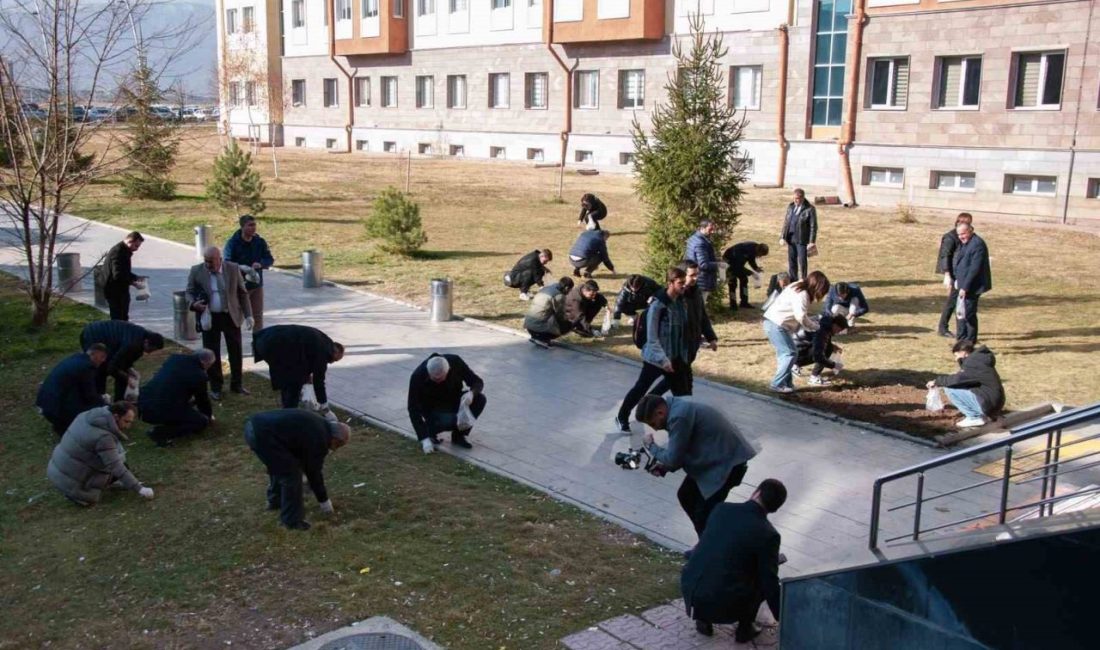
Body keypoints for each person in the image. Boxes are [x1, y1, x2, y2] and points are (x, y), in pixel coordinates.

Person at [635, 394, 758, 537]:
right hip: (716, 460)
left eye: (653, 424)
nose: (655, 429)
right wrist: (665, 467)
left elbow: (673, 458)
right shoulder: (677, 410)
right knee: (687, 496)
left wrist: (651, 446)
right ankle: (709, 544)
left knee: (705, 515)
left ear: (660, 412)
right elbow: (680, 450)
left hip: (727, 465)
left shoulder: (678, 417)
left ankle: (714, 550)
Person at [681, 479, 787, 642]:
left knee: (715, 559)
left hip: (692, 592)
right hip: (726, 606)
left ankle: (703, 620)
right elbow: (770, 582)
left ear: (756, 492)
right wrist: (785, 618)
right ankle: (745, 628)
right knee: (762, 576)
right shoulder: (768, 534)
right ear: (775, 508)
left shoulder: (721, 509)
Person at [244, 409, 351, 530]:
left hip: (254, 425)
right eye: (338, 446)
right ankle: (291, 521)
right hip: (262, 434)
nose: (335, 449)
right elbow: (314, 472)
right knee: (291, 475)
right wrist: (325, 503)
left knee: (279, 466)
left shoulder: (320, 424)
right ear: (336, 439)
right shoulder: (320, 439)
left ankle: (275, 501)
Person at [614, 267, 691, 432]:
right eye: (681, 283)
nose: (684, 286)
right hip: (656, 358)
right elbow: (652, 338)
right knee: (640, 388)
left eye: (684, 282)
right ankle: (622, 416)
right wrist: (663, 360)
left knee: (678, 390)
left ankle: (679, 425)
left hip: (675, 356)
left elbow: (682, 330)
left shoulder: (680, 302)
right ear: (670, 283)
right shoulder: (658, 305)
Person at [46, 402, 155, 506]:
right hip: (72, 482)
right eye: (126, 421)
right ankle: (78, 495)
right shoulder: (103, 438)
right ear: (116, 417)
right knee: (119, 465)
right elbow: (116, 466)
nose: (129, 426)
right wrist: (139, 488)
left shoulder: (88, 415)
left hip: (59, 468)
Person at [187, 246, 254, 400]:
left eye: (211, 262)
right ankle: (216, 387)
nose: (208, 265)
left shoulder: (232, 268)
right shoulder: (196, 270)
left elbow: (242, 294)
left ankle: (237, 384)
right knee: (211, 353)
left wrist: (249, 315)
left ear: (220, 260)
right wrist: (193, 304)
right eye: (205, 261)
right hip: (209, 317)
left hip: (231, 316)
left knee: (235, 351)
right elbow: (189, 291)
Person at [650, 260, 717, 397]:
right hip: (677, 350)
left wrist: (711, 337)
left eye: (697, 274)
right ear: (682, 276)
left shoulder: (696, 291)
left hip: (691, 345)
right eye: (692, 275)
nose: (696, 278)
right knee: (681, 385)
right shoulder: (675, 297)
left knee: (678, 382)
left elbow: (702, 315)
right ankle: (651, 404)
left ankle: (650, 402)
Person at [762, 271, 830, 394]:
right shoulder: (802, 294)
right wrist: (815, 326)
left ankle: (788, 384)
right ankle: (777, 384)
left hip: (773, 323)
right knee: (790, 354)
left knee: (786, 355)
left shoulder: (798, 285)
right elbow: (800, 316)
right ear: (817, 286)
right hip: (777, 325)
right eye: (822, 291)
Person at [253, 324, 345, 413]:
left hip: (264, 337)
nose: (331, 362)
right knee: (294, 382)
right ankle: (289, 413)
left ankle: (287, 409)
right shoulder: (323, 352)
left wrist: (306, 376)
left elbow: (304, 356)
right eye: (335, 360)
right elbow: (319, 381)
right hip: (274, 344)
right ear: (336, 351)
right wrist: (324, 406)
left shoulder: (323, 340)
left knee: (291, 378)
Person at [407, 353, 486, 453]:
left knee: (480, 399)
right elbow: (412, 408)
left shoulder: (455, 362)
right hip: (433, 410)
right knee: (449, 420)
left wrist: (472, 393)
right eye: (434, 379)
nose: (438, 382)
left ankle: (459, 436)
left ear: (448, 370)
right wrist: (424, 438)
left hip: (453, 400)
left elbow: (477, 381)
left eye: (440, 379)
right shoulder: (417, 376)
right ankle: (430, 432)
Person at [138, 349, 216, 447]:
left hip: (144, 402)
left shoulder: (174, 358)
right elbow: (202, 401)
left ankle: (170, 420)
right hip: (160, 408)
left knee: (182, 404)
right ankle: (160, 433)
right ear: (204, 363)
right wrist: (208, 417)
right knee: (200, 421)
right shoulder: (199, 375)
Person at [79, 320, 165, 401]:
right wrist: (128, 378)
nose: (150, 353)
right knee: (101, 369)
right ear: (146, 342)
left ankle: (119, 402)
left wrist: (130, 370)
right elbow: (112, 368)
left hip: (108, 339)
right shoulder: (132, 344)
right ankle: (97, 400)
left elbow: (124, 362)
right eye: (151, 349)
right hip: (94, 334)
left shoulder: (140, 340)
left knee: (120, 372)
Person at [927, 340, 1005, 429]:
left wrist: (937, 382)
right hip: (995, 401)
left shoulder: (973, 364)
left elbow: (957, 379)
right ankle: (984, 415)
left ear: (964, 353)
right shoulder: (979, 360)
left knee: (949, 388)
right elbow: (965, 377)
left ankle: (974, 417)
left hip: (990, 403)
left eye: (956, 355)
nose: (955, 358)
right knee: (957, 385)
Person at [35, 344, 108, 436]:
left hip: (46, 405)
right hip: (56, 410)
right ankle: (68, 426)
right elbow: (90, 396)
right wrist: (104, 402)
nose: (103, 360)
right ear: (93, 354)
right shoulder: (87, 367)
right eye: (102, 357)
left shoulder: (76, 358)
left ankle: (61, 425)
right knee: (97, 407)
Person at [223, 214, 275, 331]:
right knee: (237, 316)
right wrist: (241, 267)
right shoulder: (232, 243)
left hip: (256, 285)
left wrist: (261, 264)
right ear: (242, 227)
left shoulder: (259, 242)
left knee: (257, 316)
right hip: (239, 286)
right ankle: (235, 339)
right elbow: (226, 263)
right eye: (250, 225)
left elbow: (270, 259)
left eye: (254, 225)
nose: (253, 228)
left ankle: (258, 342)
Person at [952, 221, 992, 342]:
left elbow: (974, 269)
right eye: (959, 234)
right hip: (962, 283)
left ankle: (969, 340)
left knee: (968, 313)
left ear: (970, 230)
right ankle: (961, 339)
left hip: (972, 286)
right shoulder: (966, 243)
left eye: (963, 234)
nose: (961, 237)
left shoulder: (977, 244)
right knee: (960, 313)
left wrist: (965, 287)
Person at [936, 213, 972, 338]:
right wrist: (947, 274)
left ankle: (950, 328)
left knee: (955, 301)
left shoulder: (962, 236)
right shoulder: (950, 237)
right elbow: (945, 255)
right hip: (953, 273)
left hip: (959, 272)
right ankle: (943, 327)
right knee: (952, 301)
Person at [99, 231, 145, 321]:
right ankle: (118, 333)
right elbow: (118, 275)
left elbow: (123, 271)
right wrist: (133, 283)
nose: (137, 249)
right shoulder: (118, 252)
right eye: (136, 246)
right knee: (119, 316)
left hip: (117, 288)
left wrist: (135, 277)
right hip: (114, 290)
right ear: (130, 241)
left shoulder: (123, 250)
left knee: (122, 315)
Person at [794, 313, 848, 386]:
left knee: (828, 347)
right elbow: (818, 356)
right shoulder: (822, 330)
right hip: (796, 352)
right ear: (835, 325)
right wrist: (834, 365)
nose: (838, 332)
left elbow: (819, 340)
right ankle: (814, 378)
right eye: (839, 330)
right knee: (826, 350)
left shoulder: (823, 321)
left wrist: (831, 345)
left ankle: (794, 365)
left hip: (792, 348)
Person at [779, 188, 817, 281]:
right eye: (794, 198)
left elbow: (813, 226)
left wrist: (812, 241)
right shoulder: (791, 207)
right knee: (792, 260)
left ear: (803, 198)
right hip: (791, 238)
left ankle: (803, 279)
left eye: (798, 198)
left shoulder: (810, 209)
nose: (796, 200)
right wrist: (782, 237)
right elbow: (786, 222)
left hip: (801, 239)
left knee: (802, 261)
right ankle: (793, 279)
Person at [524, 277, 574, 348]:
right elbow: (560, 315)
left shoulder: (546, 289)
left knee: (546, 314)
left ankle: (536, 336)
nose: (569, 292)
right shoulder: (558, 295)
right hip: (538, 328)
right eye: (570, 290)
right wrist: (570, 323)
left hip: (528, 325)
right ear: (566, 288)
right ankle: (543, 339)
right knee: (566, 325)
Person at [722, 241, 769, 310]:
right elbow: (737, 267)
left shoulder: (754, 248)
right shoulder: (745, 250)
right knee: (732, 283)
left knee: (744, 280)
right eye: (760, 255)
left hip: (737, 264)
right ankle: (733, 304)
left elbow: (751, 260)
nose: (760, 256)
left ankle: (744, 302)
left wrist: (756, 268)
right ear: (758, 251)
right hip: (729, 262)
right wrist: (751, 273)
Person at [684, 220, 721, 301]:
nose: (713, 232)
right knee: (700, 305)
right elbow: (703, 264)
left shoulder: (693, 238)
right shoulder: (700, 243)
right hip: (702, 279)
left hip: (695, 277)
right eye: (710, 229)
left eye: (713, 229)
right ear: (702, 228)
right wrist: (719, 265)